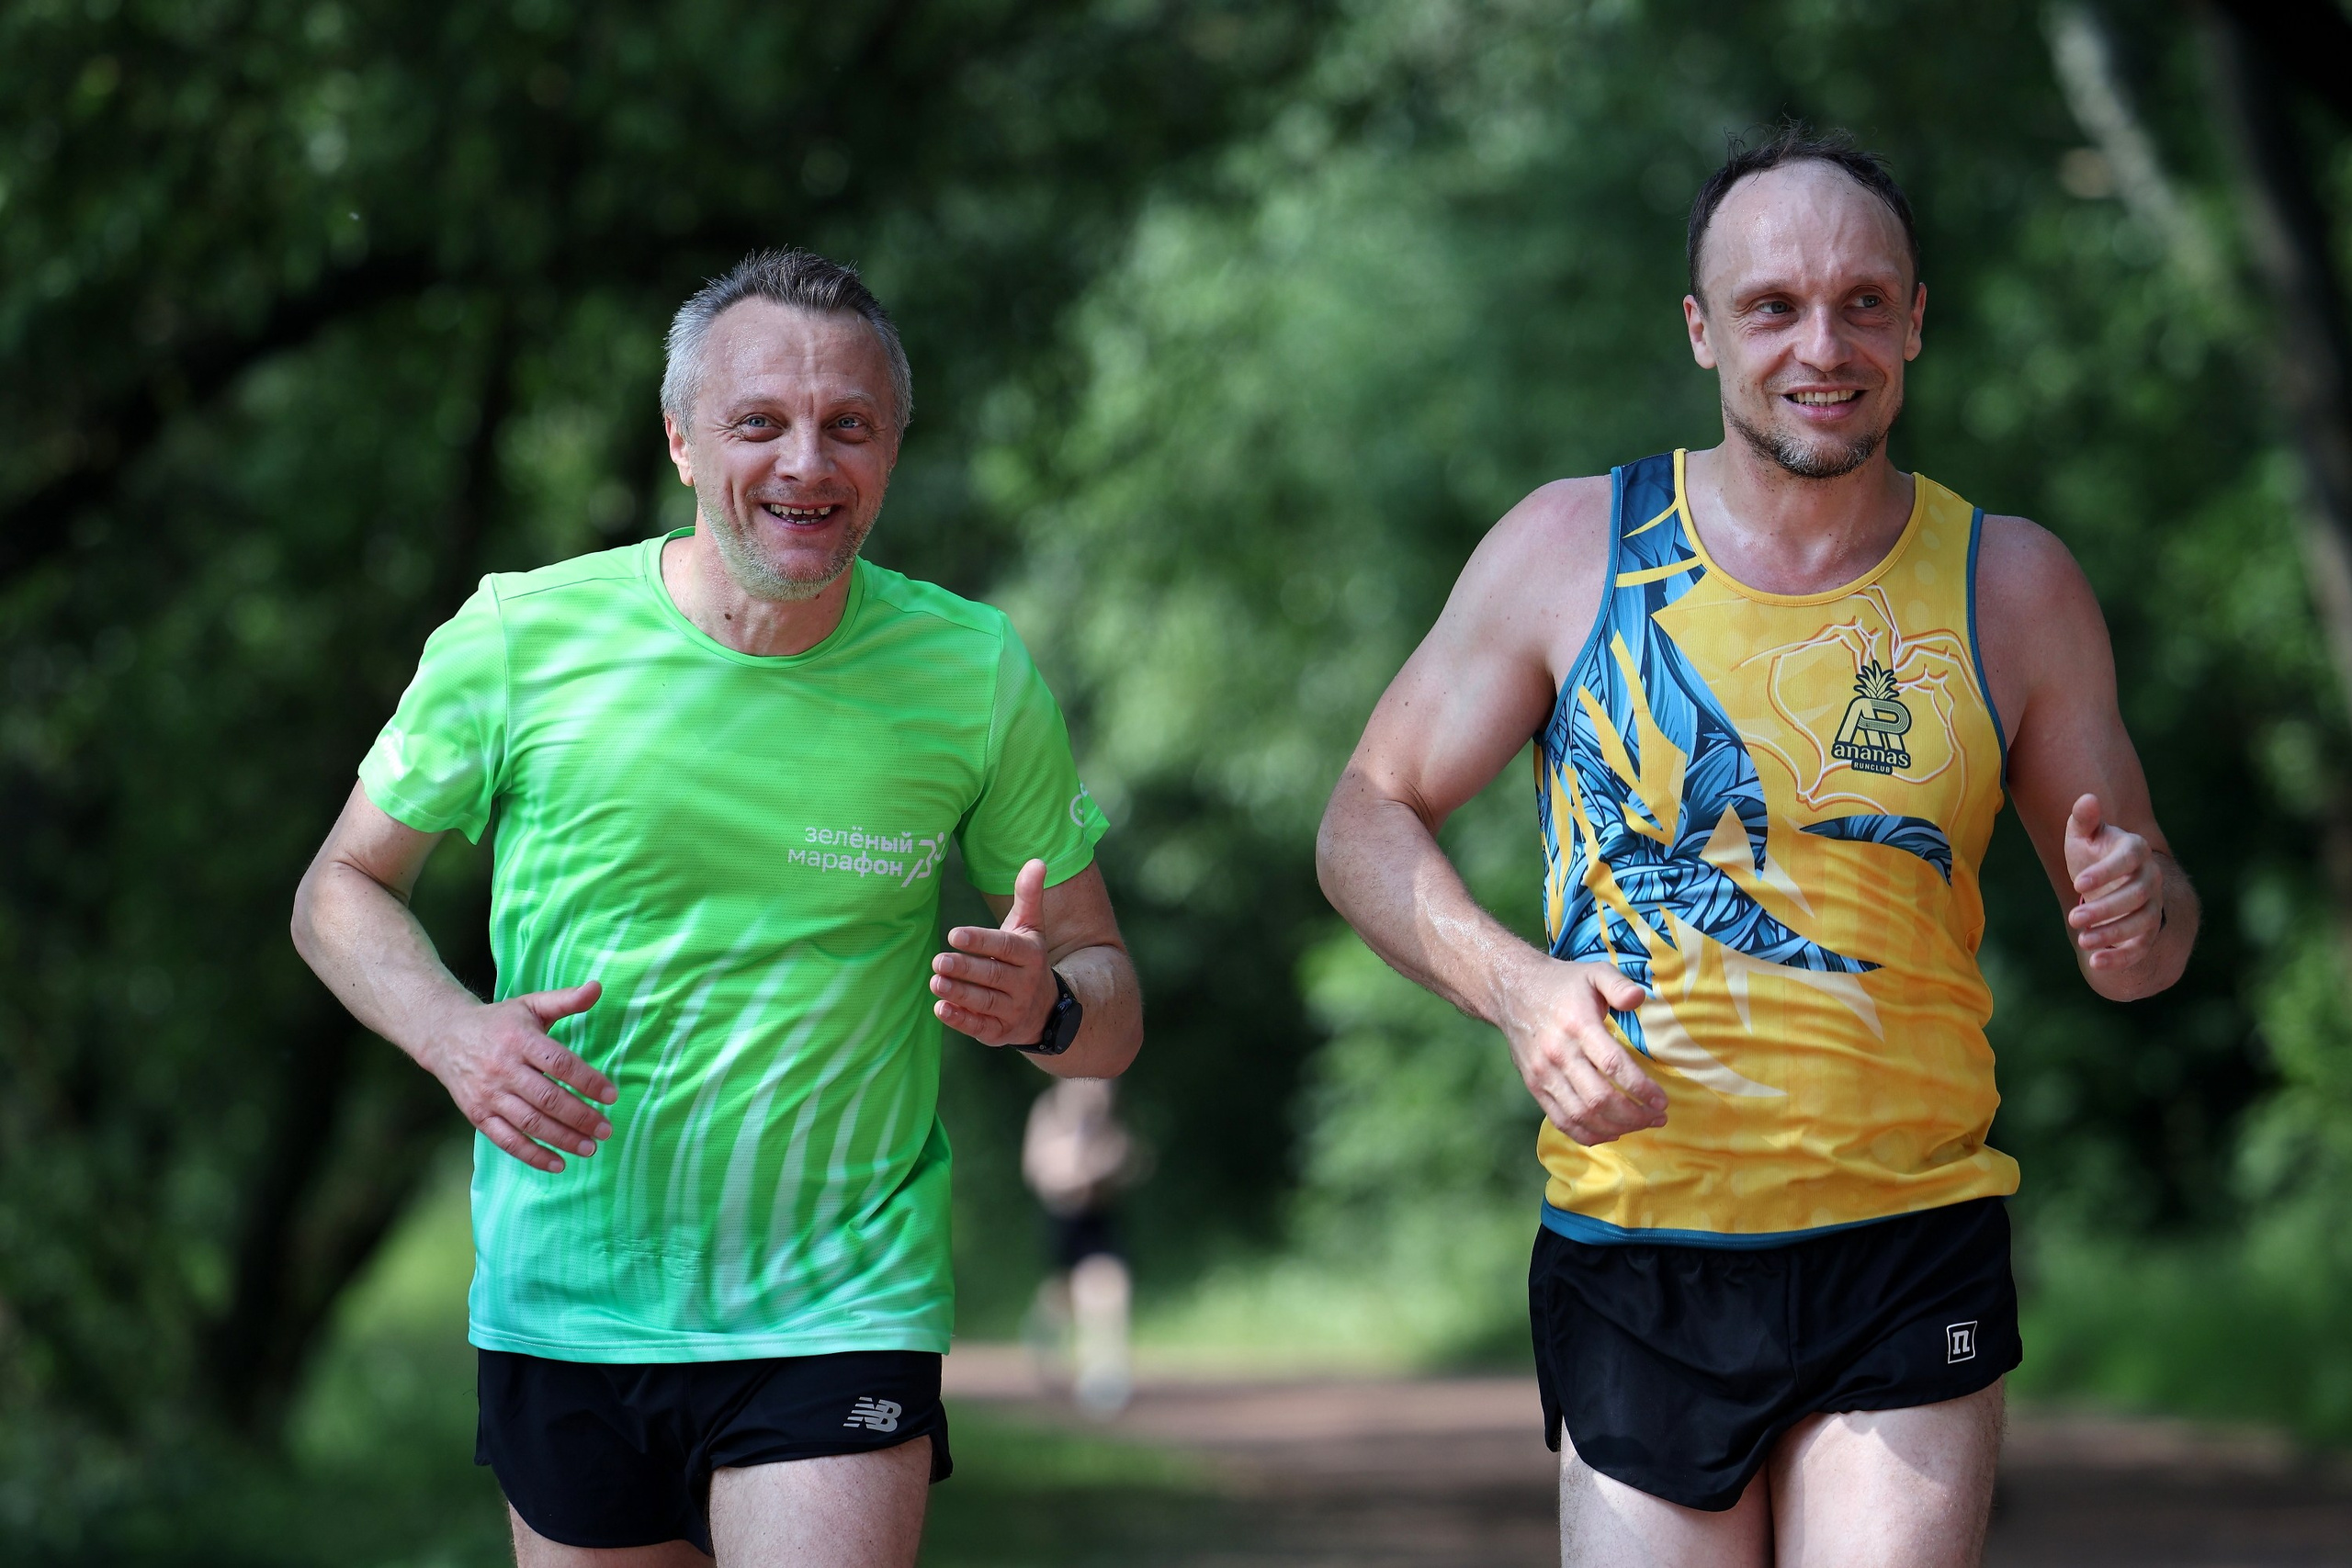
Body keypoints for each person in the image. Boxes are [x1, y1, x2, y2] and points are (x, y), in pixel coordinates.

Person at [1315, 126, 2196, 1567]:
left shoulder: (2015, 583)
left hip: (1909, 1236)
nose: (1821, 345)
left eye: (1862, 302)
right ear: (1702, 330)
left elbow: (2140, 953)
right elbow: (1364, 813)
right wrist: (1518, 987)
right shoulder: (1570, 549)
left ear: (1915, 321)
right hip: (1638, 1245)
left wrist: (2146, 904)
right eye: (1774, 305)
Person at [290, 248, 1141, 1568]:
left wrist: (1050, 1008)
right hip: (569, 1301)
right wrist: (453, 1035)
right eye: (760, 422)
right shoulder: (522, 638)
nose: (808, 461)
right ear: (682, 440)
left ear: (892, 449)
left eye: (849, 424)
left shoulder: (971, 670)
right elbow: (338, 891)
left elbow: (1107, 1004)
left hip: (840, 1300)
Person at [1020, 1077, 1139, 1414]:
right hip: (1062, 1220)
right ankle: (1042, 1336)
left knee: (1106, 1287)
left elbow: (1125, 1160)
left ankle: (1102, 1375)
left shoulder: (1107, 1116)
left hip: (1097, 1220)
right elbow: (1041, 1171)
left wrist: (1104, 1167)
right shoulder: (1050, 1110)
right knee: (1061, 1295)